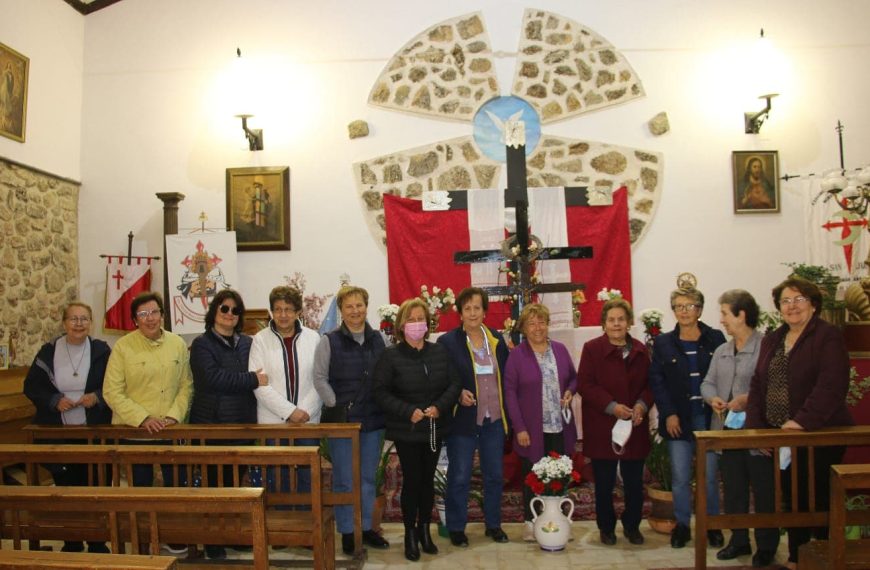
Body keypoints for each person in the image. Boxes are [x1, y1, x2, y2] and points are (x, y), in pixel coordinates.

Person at [746, 278, 853, 568]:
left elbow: (831, 385)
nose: (792, 306)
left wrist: (800, 423)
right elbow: (757, 385)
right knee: (793, 500)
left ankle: (819, 559)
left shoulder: (827, 336)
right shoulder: (773, 338)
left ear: (813, 304)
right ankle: (796, 557)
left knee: (815, 501)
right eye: (785, 301)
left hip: (819, 435)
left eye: (799, 299)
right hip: (781, 437)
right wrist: (758, 430)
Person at [102, 291, 193, 555]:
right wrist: (143, 419)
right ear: (134, 320)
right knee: (139, 490)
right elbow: (112, 391)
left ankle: (174, 535)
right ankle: (141, 539)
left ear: (163, 315)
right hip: (136, 433)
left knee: (176, 486)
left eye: (154, 312)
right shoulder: (123, 347)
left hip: (171, 430)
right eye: (143, 314)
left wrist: (174, 415)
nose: (150, 318)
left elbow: (187, 384)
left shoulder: (176, 344)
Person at [373, 298, 461, 562]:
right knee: (412, 481)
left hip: (434, 426)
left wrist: (439, 406)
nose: (415, 324)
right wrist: (405, 410)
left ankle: (425, 531)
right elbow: (379, 391)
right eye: (410, 319)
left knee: (427, 481)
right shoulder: (391, 356)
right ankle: (410, 534)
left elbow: (454, 384)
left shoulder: (439, 352)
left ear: (428, 323)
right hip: (408, 430)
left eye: (420, 318)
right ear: (401, 325)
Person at [23, 301, 112, 554]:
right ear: (64, 323)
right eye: (73, 319)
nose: (79, 324)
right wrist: (54, 401)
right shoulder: (49, 351)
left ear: (91, 323)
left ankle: (97, 541)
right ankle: (71, 540)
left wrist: (96, 396)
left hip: (92, 432)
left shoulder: (100, 350)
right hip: (59, 432)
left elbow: (114, 383)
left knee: (94, 488)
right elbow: (32, 386)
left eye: (84, 319)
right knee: (66, 490)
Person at [699, 289, 778, 564]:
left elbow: (775, 388)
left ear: (741, 314)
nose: (721, 320)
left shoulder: (766, 347)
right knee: (733, 487)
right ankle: (740, 540)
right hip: (727, 431)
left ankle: (767, 545)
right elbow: (707, 382)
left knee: (763, 488)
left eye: (724, 313)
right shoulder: (721, 350)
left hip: (756, 431)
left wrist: (748, 400)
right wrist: (714, 399)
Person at [313, 285, 390, 555]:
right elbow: (319, 377)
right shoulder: (329, 340)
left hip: (373, 420)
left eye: (359, 305)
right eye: (349, 306)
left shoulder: (379, 340)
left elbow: (386, 376)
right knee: (345, 479)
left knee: (367, 478)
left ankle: (366, 527)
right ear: (341, 311)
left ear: (366, 307)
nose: (355, 311)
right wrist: (336, 403)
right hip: (343, 423)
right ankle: (347, 530)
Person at [190, 289, 265, 560]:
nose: (230, 314)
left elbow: (262, 371)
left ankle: (233, 533)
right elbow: (213, 379)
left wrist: (253, 379)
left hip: (242, 423)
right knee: (214, 485)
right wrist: (251, 380)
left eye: (235, 310)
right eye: (224, 309)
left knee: (237, 484)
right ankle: (213, 538)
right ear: (214, 312)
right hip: (213, 424)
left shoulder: (247, 343)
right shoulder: (202, 344)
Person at [649, 286, 726, 549]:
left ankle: (712, 525)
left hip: (708, 418)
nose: (683, 311)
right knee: (681, 476)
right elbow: (657, 383)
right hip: (678, 420)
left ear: (700, 310)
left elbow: (725, 374)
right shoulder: (663, 343)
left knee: (709, 476)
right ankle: (682, 525)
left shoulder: (715, 338)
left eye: (689, 306)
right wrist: (668, 413)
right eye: (678, 307)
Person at [436, 287, 510, 547]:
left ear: (485, 311)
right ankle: (456, 527)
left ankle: (493, 524)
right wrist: (457, 394)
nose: (472, 313)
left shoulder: (497, 341)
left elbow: (507, 378)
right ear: (459, 312)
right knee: (460, 475)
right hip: (464, 420)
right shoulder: (447, 342)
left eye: (477, 307)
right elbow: (441, 379)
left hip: (493, 420)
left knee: (494, 475)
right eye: (467, 308)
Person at [578, 298, 651, 546]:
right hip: (603, 424)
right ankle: (606, 527)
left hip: (635, 425)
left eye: (621, 319)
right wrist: (612, 407)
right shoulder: (592, 349)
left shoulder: (641, 350)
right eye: (611, 320)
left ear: (629, 322)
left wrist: (641, 405)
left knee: (633, 482)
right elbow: (585, 385)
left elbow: (651, 386)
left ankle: (632, 526)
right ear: (603, 323)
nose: (617, 324)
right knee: (604, 482)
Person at [503, 303, 577, 543]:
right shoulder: (516, 356)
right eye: (531, 323)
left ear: (548, 324)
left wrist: (569, 391)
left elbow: (574, 379)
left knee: (559, 474)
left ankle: (560, 520)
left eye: (541, 322)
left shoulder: (561, 350)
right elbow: (510, 393)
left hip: (559, 424)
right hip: (531, 429)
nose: (537, 327)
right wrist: (520, 428)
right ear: (524, 328)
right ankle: (530, 521)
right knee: (532, 477)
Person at [250, 286, 321, 510]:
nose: (283, 315)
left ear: (298, 311)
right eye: (278, 309)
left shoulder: (313, 338)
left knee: (307, 477)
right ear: (271, 311)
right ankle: (281, 529)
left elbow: (320, 379)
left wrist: (304, 411)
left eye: (288, 309)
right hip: (274, 422)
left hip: (307, 420)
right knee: (278, 476)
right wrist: (290, 412)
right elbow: (258, 384)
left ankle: (308, 528)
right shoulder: (260, 340)